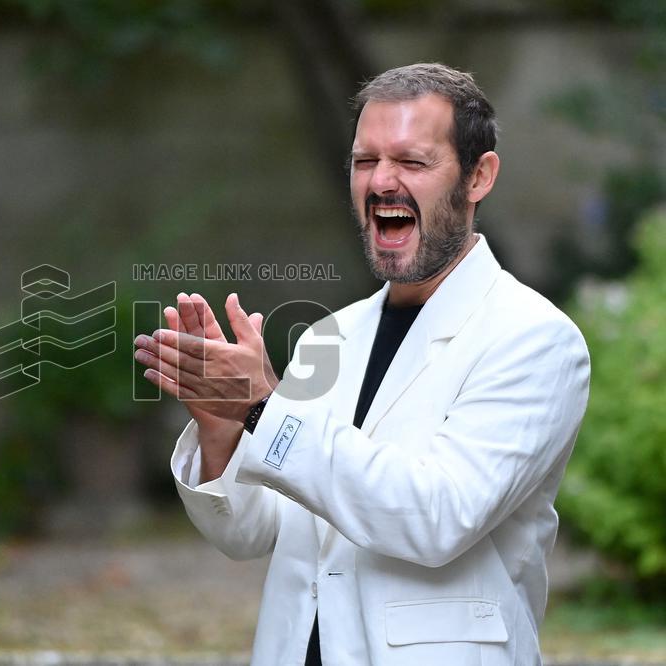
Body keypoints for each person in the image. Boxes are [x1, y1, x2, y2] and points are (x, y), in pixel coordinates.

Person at [133, 63, 590, 665]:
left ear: (479, 177)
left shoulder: (535, 340)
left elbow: (436, 519)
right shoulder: (330, 335)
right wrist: (224, 431)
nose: (381, 182)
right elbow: (253, 533)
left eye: (412, 161)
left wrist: (261, 408)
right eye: (365, 161)